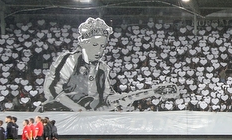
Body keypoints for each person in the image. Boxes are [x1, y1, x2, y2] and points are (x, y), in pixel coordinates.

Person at [41, 17, 179, 111]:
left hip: (86, 118)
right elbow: (53, 90)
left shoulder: (102, 68)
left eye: (102, 46)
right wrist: (78, 109)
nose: (99, 50)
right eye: (95, 45)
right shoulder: (69, 60)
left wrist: (125, 98)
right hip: (59, 113)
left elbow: (106, 96)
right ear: (83, 43)